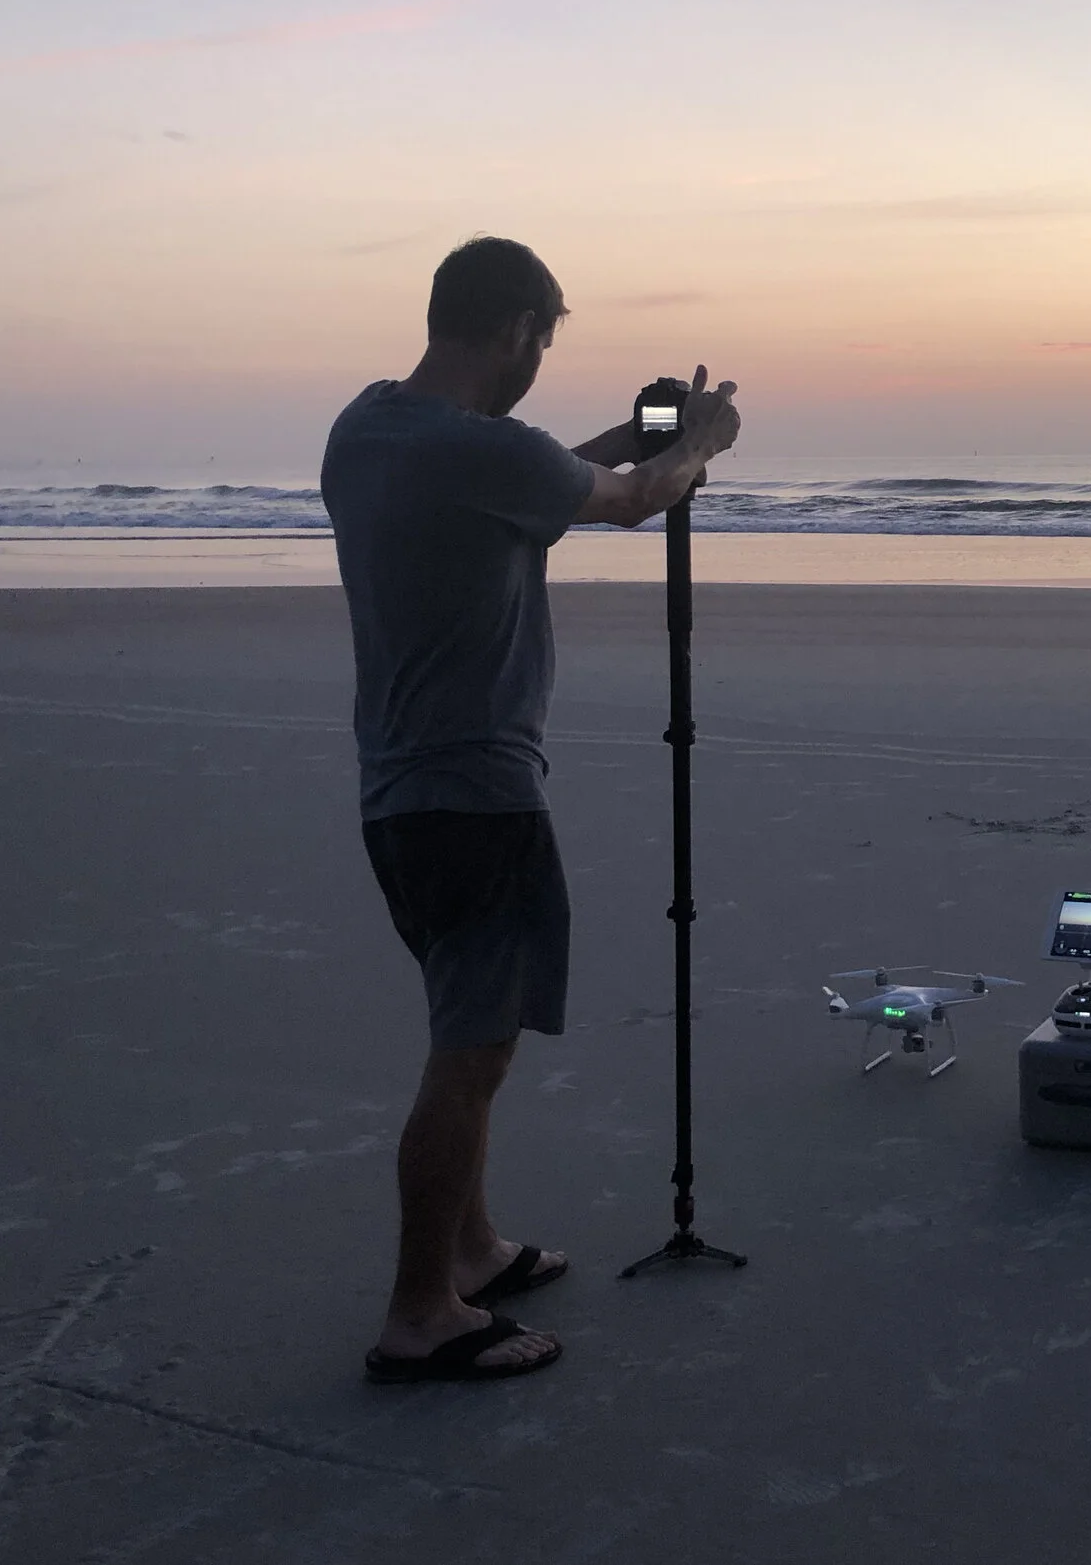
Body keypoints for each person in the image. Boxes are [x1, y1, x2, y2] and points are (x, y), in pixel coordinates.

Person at [321, 236, 740, 1382]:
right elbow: (632, 499)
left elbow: (560, 475)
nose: (538, 363)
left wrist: (647, 433)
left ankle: (471, 1249)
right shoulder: (481, 448)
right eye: (542, 341)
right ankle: (420, 1310)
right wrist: (696, 445)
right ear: (516, 328)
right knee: (472, 1048)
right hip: (475, 794)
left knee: (469, 1027)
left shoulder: (370, 429)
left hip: (400, 788)